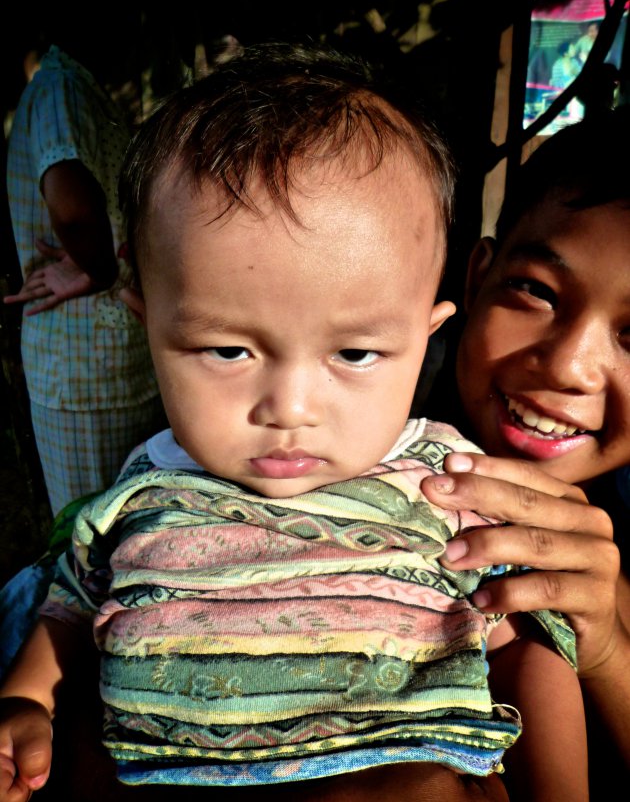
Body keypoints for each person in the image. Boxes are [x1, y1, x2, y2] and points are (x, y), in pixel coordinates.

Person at [0, 43, 585, 802]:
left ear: (426, 333)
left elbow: (527, 653)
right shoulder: (136, 498)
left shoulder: (452, 489)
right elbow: (69, 614)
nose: (290, 408)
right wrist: (23, 702)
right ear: (146, 321)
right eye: (228, 348)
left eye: (355, 352)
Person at [420, 106, 630, 793]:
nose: (569, 365)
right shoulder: (322, 453)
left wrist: (604, 652)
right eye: (537, 291)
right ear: (477, 279)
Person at [3, 41, 164, 518]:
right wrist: (99, 271)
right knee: (94, 530)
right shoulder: (60, 86)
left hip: (102, 356)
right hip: (84, 360)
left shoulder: (73, 85)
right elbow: (71, 208)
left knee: (120, 522)